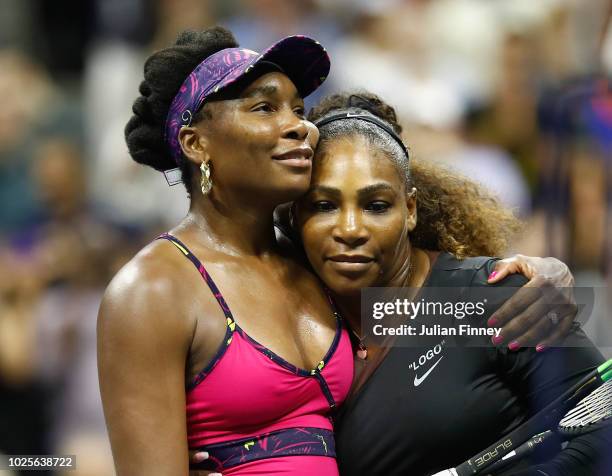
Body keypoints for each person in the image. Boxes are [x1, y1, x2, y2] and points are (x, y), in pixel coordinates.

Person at [99, 27, 579, 476]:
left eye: (298, 111)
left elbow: (440, 308)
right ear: (195, 143)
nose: (300, 129)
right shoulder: (151, 291)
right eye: (265, 108)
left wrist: (538, 277)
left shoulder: (316, 264)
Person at [292, 92, 611, 475]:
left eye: (375, 205)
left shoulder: (494, 295)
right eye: (324, 205)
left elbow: (601, 420)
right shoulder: (280, 316)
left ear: (410, 210)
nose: (349, 229)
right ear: (295, 216)